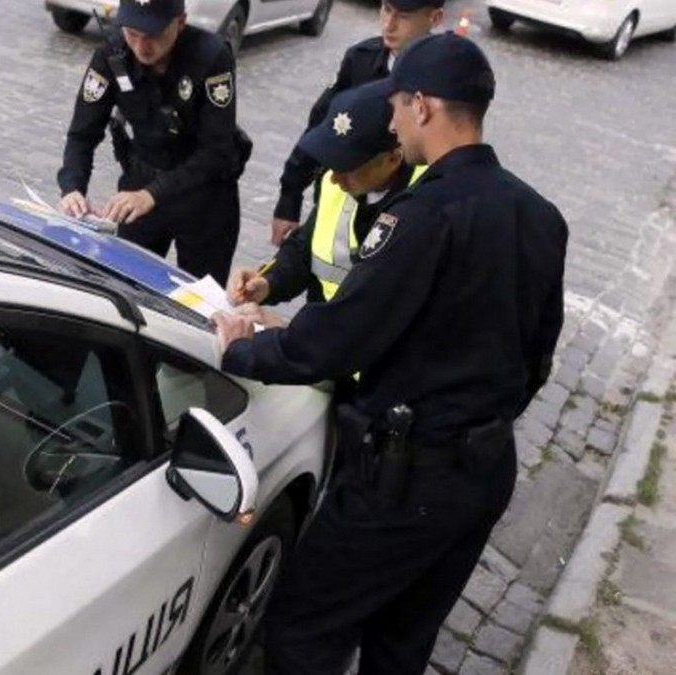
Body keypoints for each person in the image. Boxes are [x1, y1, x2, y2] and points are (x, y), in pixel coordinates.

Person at [213, 33, 568, 674]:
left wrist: (244, 350)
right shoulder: (540, 214)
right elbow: (538, 357)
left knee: (303, 625)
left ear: (423, 106)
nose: (396, 125)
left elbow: (338, 339)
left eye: (400, 108)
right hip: (484, 470)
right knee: (403, 641)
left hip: (403, 481)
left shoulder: (422, 215)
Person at [56, 0, 250, 286]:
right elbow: (82, 134)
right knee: (124, 283)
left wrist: (153, 194)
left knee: (200, 299)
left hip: (203, 195)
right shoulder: (113, 54)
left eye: (153, 35)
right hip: (142, 181)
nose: (141, 46)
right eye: (132, 33)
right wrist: (73, 188)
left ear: (180, 23)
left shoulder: (210, 57)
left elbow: (217, 152)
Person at [228, 81, 424, 326]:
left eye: (348, 166)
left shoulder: (425, 207)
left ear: (393, 158)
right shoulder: (337, 183)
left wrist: (289, 333)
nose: (334, 177)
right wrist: (269, 282)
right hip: (321, 330)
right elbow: (307, 245)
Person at [270, 0, 445, 247]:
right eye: (386, 9)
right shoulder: (361, 59)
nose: (389, 24)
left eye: (403, 16)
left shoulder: (445, 80)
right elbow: (321, 125)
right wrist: (289, 199)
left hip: (402, 214)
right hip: (343, 195)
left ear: (434, 18)